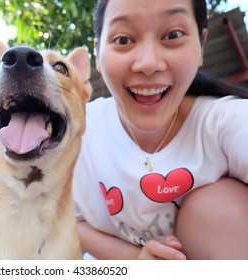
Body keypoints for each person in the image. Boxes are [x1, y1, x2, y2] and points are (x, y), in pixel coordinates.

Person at [73, 0, 248, 260]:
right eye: (123, 40)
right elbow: (64, 219)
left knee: (216, 208)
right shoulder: (77, 131)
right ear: (97, 53)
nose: (148, 63)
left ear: (201, 46)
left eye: (172, 35)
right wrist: (137, 261)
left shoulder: (227, 121)